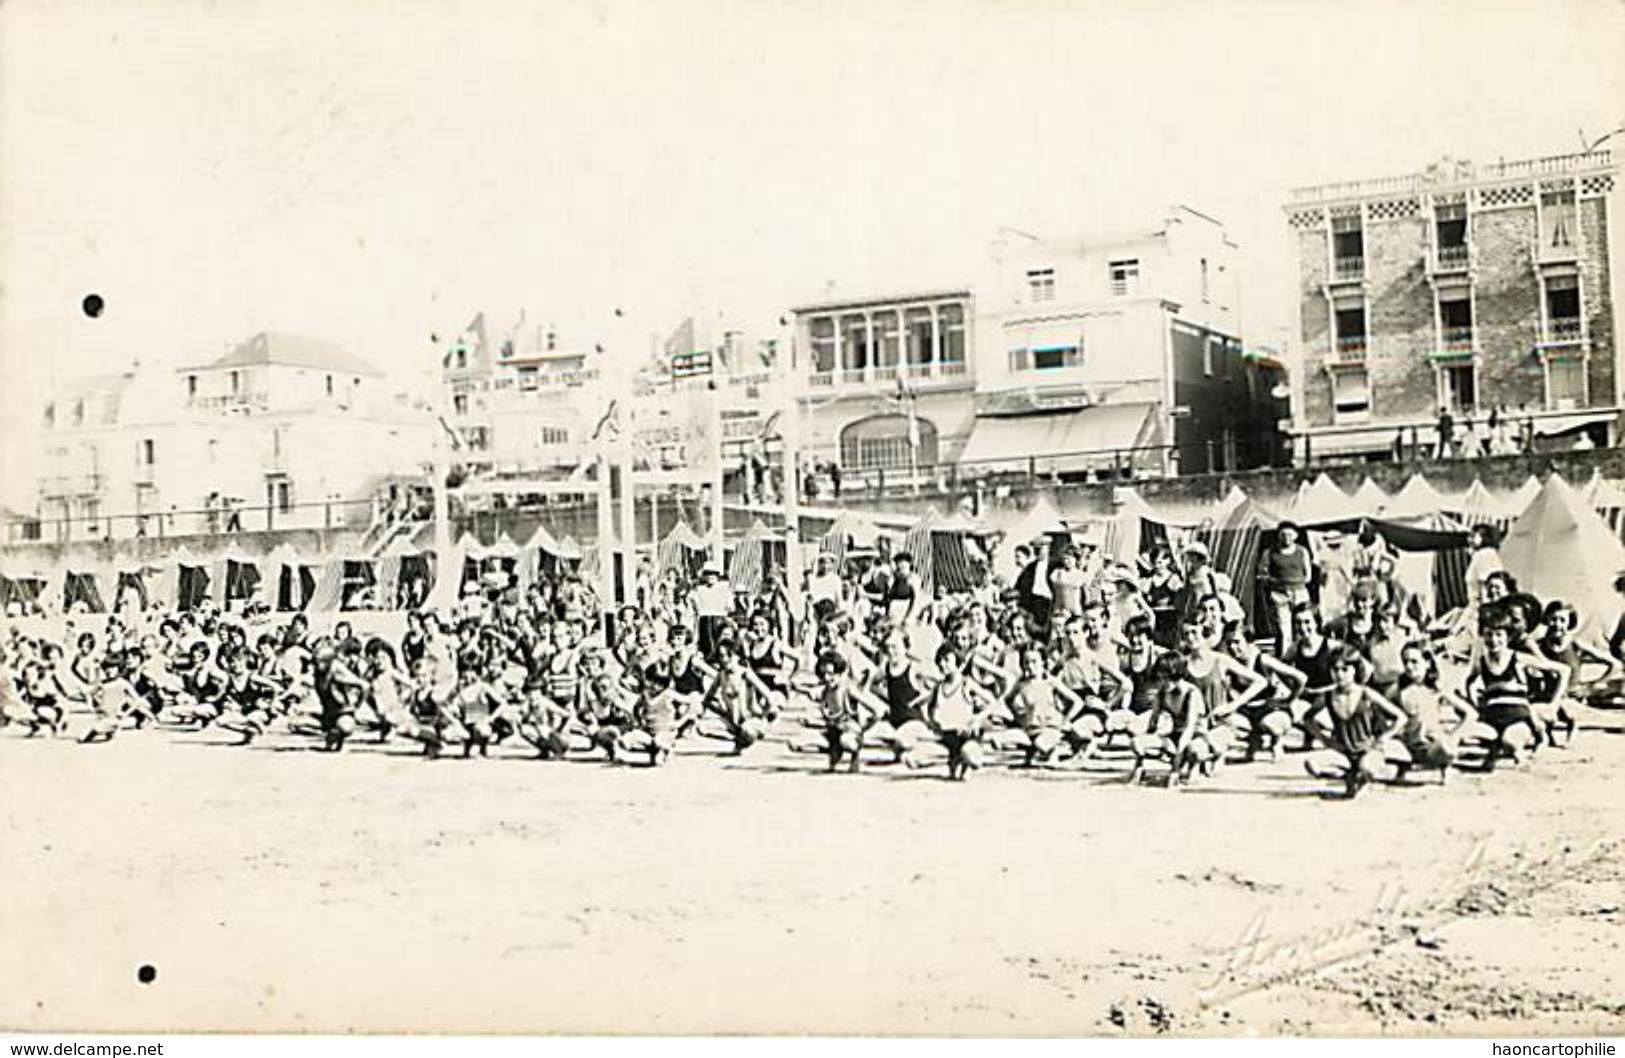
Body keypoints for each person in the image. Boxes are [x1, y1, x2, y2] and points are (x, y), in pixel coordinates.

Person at [1302, 645, 1407, 799]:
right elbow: (1307, 718)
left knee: (1366, 767)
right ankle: (1352, 776)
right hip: (1343, 750)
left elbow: (1401, 717)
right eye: (1335, 670)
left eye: (1345, 669)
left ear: (1355, 670)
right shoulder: (1327, 696)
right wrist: (1324, 739)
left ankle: (1359, 776)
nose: (1339, 674)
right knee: (1312, 764)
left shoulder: (1365, 693)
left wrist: (1384, 737)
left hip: (1367, 749)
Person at [1261, 521, 1314, 654]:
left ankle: (1306, 651)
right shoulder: (1270, 553)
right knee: (1284, 628)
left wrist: (1296, 583)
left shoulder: (1302, 551)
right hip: (1279, 594)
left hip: (1300, 592)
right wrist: (1276, 584)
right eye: (1283, 534)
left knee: (1303, 625)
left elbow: (1308, 576)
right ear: (1278, 536)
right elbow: (1262, 574)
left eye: (1290, 534)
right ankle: (1287, 656)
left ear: (1295, 536)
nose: (1287, 538)